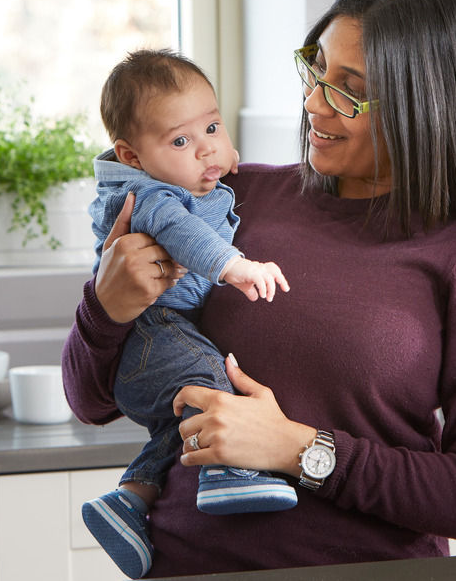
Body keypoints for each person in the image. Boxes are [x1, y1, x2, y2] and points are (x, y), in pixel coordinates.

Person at [63, 0, 456, 577]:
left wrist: (298, 449)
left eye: (347, 86)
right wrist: (106, 308)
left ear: (427, 103)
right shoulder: (230, 201)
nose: (313, 101)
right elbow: (90, 400)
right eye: (315, 69)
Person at [78, 49, 296, 579]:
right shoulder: (147, 194)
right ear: (131, 156)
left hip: (156, 340)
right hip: (154, 333)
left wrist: (213, 158)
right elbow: (182, 232)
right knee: (213, 383)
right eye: (181, 141)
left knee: (174, 429)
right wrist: (234, 266)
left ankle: (130, 497)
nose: (205, 150)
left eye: (213, 128)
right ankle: (227, 472)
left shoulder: (191, 178)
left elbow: (205, 178)